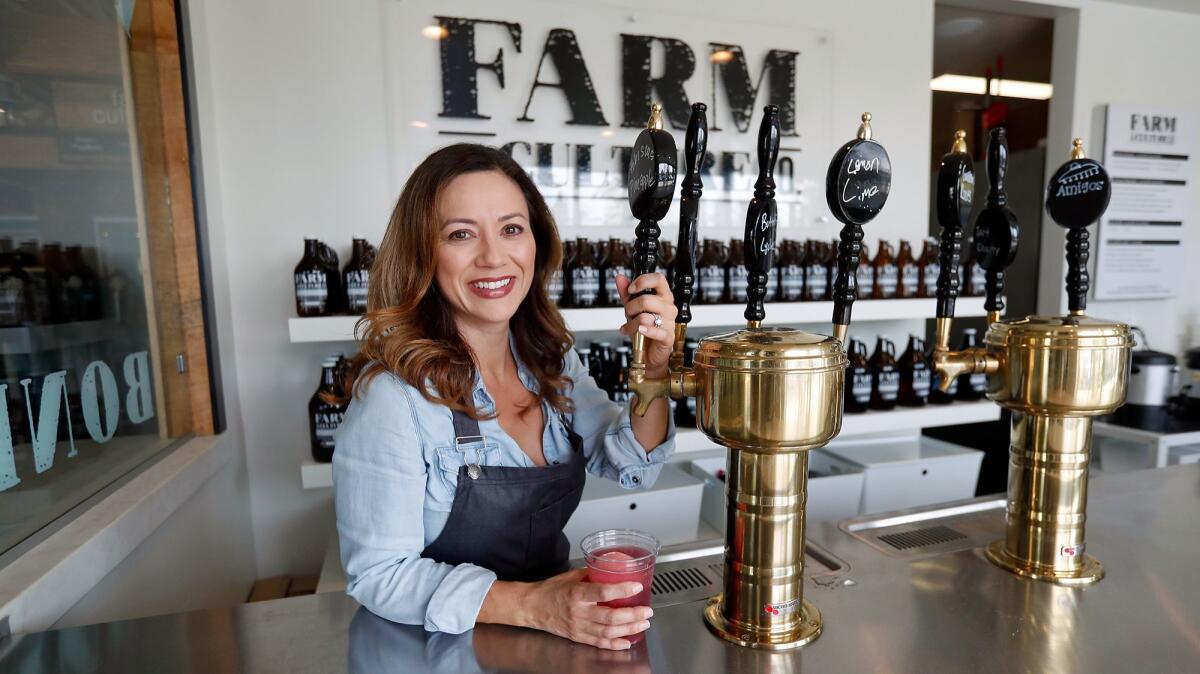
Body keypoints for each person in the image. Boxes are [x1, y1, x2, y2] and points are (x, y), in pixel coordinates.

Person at [332, 144, 678, 651]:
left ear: (536, 242)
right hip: (439, 651)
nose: (494, 256)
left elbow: (631, 459)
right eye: (460, 234)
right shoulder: (394, 399)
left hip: (551, 639)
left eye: (511, 229)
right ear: (422, 253)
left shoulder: (552, 363)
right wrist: (535, 606)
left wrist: (654, 366)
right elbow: (379, 575)